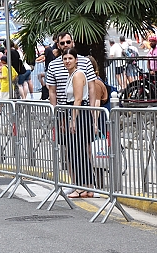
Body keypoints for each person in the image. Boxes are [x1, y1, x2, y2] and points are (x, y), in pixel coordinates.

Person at [61, 48, 95, 199]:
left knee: (77, 151)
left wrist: (73, 119)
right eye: (65, 58)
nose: (67, 61)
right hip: (77, 113)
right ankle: (86, 186)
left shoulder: (78, 75)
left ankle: (83, 187)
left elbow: (78, 99)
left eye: (70, 58)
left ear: (76, 60)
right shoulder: (72, 75)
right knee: (77, 151)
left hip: (80, 114)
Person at [45, 32, 97, 107]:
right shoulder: (53, 65)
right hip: (62, 109)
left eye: (68, 42)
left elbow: (92, 87)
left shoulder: (86, 62)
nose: (65, 45)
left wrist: (92, 109)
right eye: (62, 43)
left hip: (83, 109)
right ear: (58, 45)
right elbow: (52, 91)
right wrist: (54, 111)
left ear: (73, 43)